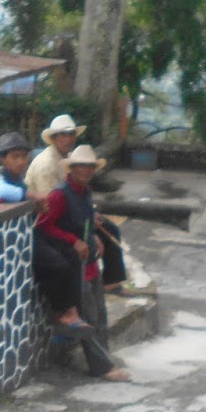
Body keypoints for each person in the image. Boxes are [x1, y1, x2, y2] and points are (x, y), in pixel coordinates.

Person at [35, 144, 131, 382]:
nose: (86, 171)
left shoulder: (84, 192)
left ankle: (105, 359)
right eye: (82, 166)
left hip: (89, 263)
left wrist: (94, 236)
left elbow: (86, 221)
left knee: (99, 313)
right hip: (74, 265)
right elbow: (44, 226)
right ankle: (101, 367)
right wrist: (74, 241)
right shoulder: (60, 195)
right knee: (88, 318)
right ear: (72, 168)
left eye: (90, 167)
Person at [27, 113, 130, 292]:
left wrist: (89, 215)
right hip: (47, 219)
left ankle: (110, 280)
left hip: (66, 210)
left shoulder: (66, 158)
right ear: (53, 138)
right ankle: (106, 282)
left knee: (109, 228)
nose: (68, 139)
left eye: (71, 134)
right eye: (63, 135)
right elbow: (49, 206)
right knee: (97, 234)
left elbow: (77, 194)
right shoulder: (46, 164)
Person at [0, 132, 41, 207]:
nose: (21, 162)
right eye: (15, 157)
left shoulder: (19, 180)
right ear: (3, 159)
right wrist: (30, 195)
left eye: (24, 156)